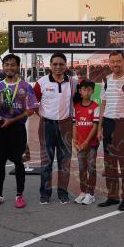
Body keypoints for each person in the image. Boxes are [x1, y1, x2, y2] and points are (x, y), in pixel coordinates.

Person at [0, 54, 38, 208]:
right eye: (7, 64)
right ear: (3, 67)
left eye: (12, 65)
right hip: (0, 130)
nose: (9, 67)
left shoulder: (25, 87)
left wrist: (13, 120)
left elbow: (31, 110)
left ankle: (19, 195)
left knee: (19, 163)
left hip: (17, 130)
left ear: (18, 67)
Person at [97, 51, 124, 211]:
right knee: (109, 163)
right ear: (109, 63)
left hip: (123, 125)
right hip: (108, 124)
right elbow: (103, 105)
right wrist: (100, 128)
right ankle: (112, 196)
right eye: (113, 61)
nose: (116, 64)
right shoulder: (105, 80)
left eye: (118, 61)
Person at [34, 53, 77, 204]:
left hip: (66, 125)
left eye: (61, 64)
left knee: (65, 161)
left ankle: (63, 193)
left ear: (66, 65)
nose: (58, 67)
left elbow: (78, 103)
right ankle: (45, 194)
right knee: (46, 161)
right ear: (50, 66)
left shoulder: (73, 83)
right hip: (47, 125)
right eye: (55, 64)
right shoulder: (41, 82)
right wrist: (42, 116)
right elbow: (33, 103)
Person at [72, 79, 100, 205]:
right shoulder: (76, 107)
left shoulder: (95, 107)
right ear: (80, 91)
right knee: (82, 168)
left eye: (89, 90)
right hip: (79, 144)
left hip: (91, 144)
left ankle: (90, 193)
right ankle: (83, 192)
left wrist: (86, 142)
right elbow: (74, 125)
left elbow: (95, 126)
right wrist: (75, 141)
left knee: (91, 168)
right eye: (84, 89)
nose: (86, 92)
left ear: (93, 91)